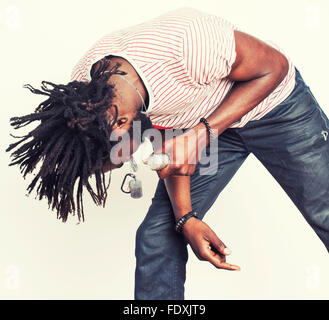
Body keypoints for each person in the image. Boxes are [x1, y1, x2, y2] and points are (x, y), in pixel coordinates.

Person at [6, 7, 329, 300]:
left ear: (121, 123)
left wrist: (201, 133)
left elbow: (275, 67)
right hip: (200, 126)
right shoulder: (88, 97)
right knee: (158, 236)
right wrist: (186, 217)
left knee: (324, 211)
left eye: (120, 159)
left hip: (273, 106)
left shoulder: (187, 45)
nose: (133, 161)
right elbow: (173, 144)